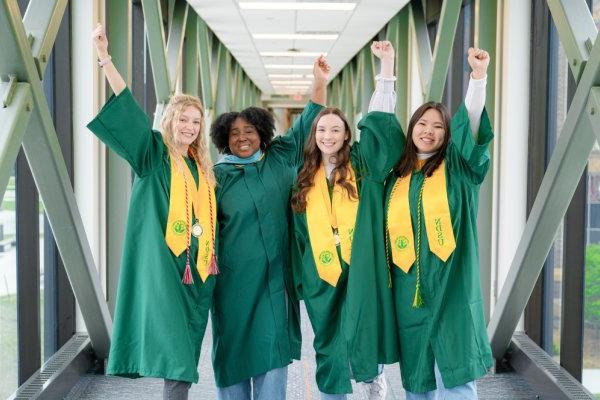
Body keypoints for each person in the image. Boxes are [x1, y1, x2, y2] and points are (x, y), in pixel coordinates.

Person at [88, 24, 217, 400]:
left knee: (187, 350)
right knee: (178, 354)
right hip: (164, 266)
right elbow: (126, 105)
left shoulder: (203, 169)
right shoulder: (153, 154)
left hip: (198, 269)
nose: (190, 127)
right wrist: (104, 58)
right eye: (183, 120)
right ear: (169, 121)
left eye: (196, 122)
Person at [208, 56, 330, 400]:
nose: (243, 138)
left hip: (275, 282)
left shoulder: (278, 158)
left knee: (273, 356)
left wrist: (318, 80)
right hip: (233, 285)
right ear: (224, 140)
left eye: (249, 131)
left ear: (262, 134)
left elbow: (309, 121)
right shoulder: (216, 179)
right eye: (234, 134)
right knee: (231, 356)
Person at [290, 41, 401, 400]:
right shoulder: (304, 178)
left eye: (335, 129)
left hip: (360, 266)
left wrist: (387, 69)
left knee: (365, 328)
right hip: (322, 274)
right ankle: (332, 394)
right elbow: (298, 236)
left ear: (346, 135)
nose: (328, 136)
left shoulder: (362, 167)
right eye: (322, 130)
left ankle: (372, 380)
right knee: (328, 343)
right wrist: (302, 277)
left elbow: (380, 125)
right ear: (314, 136)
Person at [385, 47, 492, 399]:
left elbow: (472, 127)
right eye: (421, 124)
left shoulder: (460, 170)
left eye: (437, 127)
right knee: (417, 380)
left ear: (447, 135)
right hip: (408, 289)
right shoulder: (395, 176)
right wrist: (386, 69)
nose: (428, 132)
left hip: (453, 286)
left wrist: (478, 79)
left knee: (457, 380)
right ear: (411, 128)